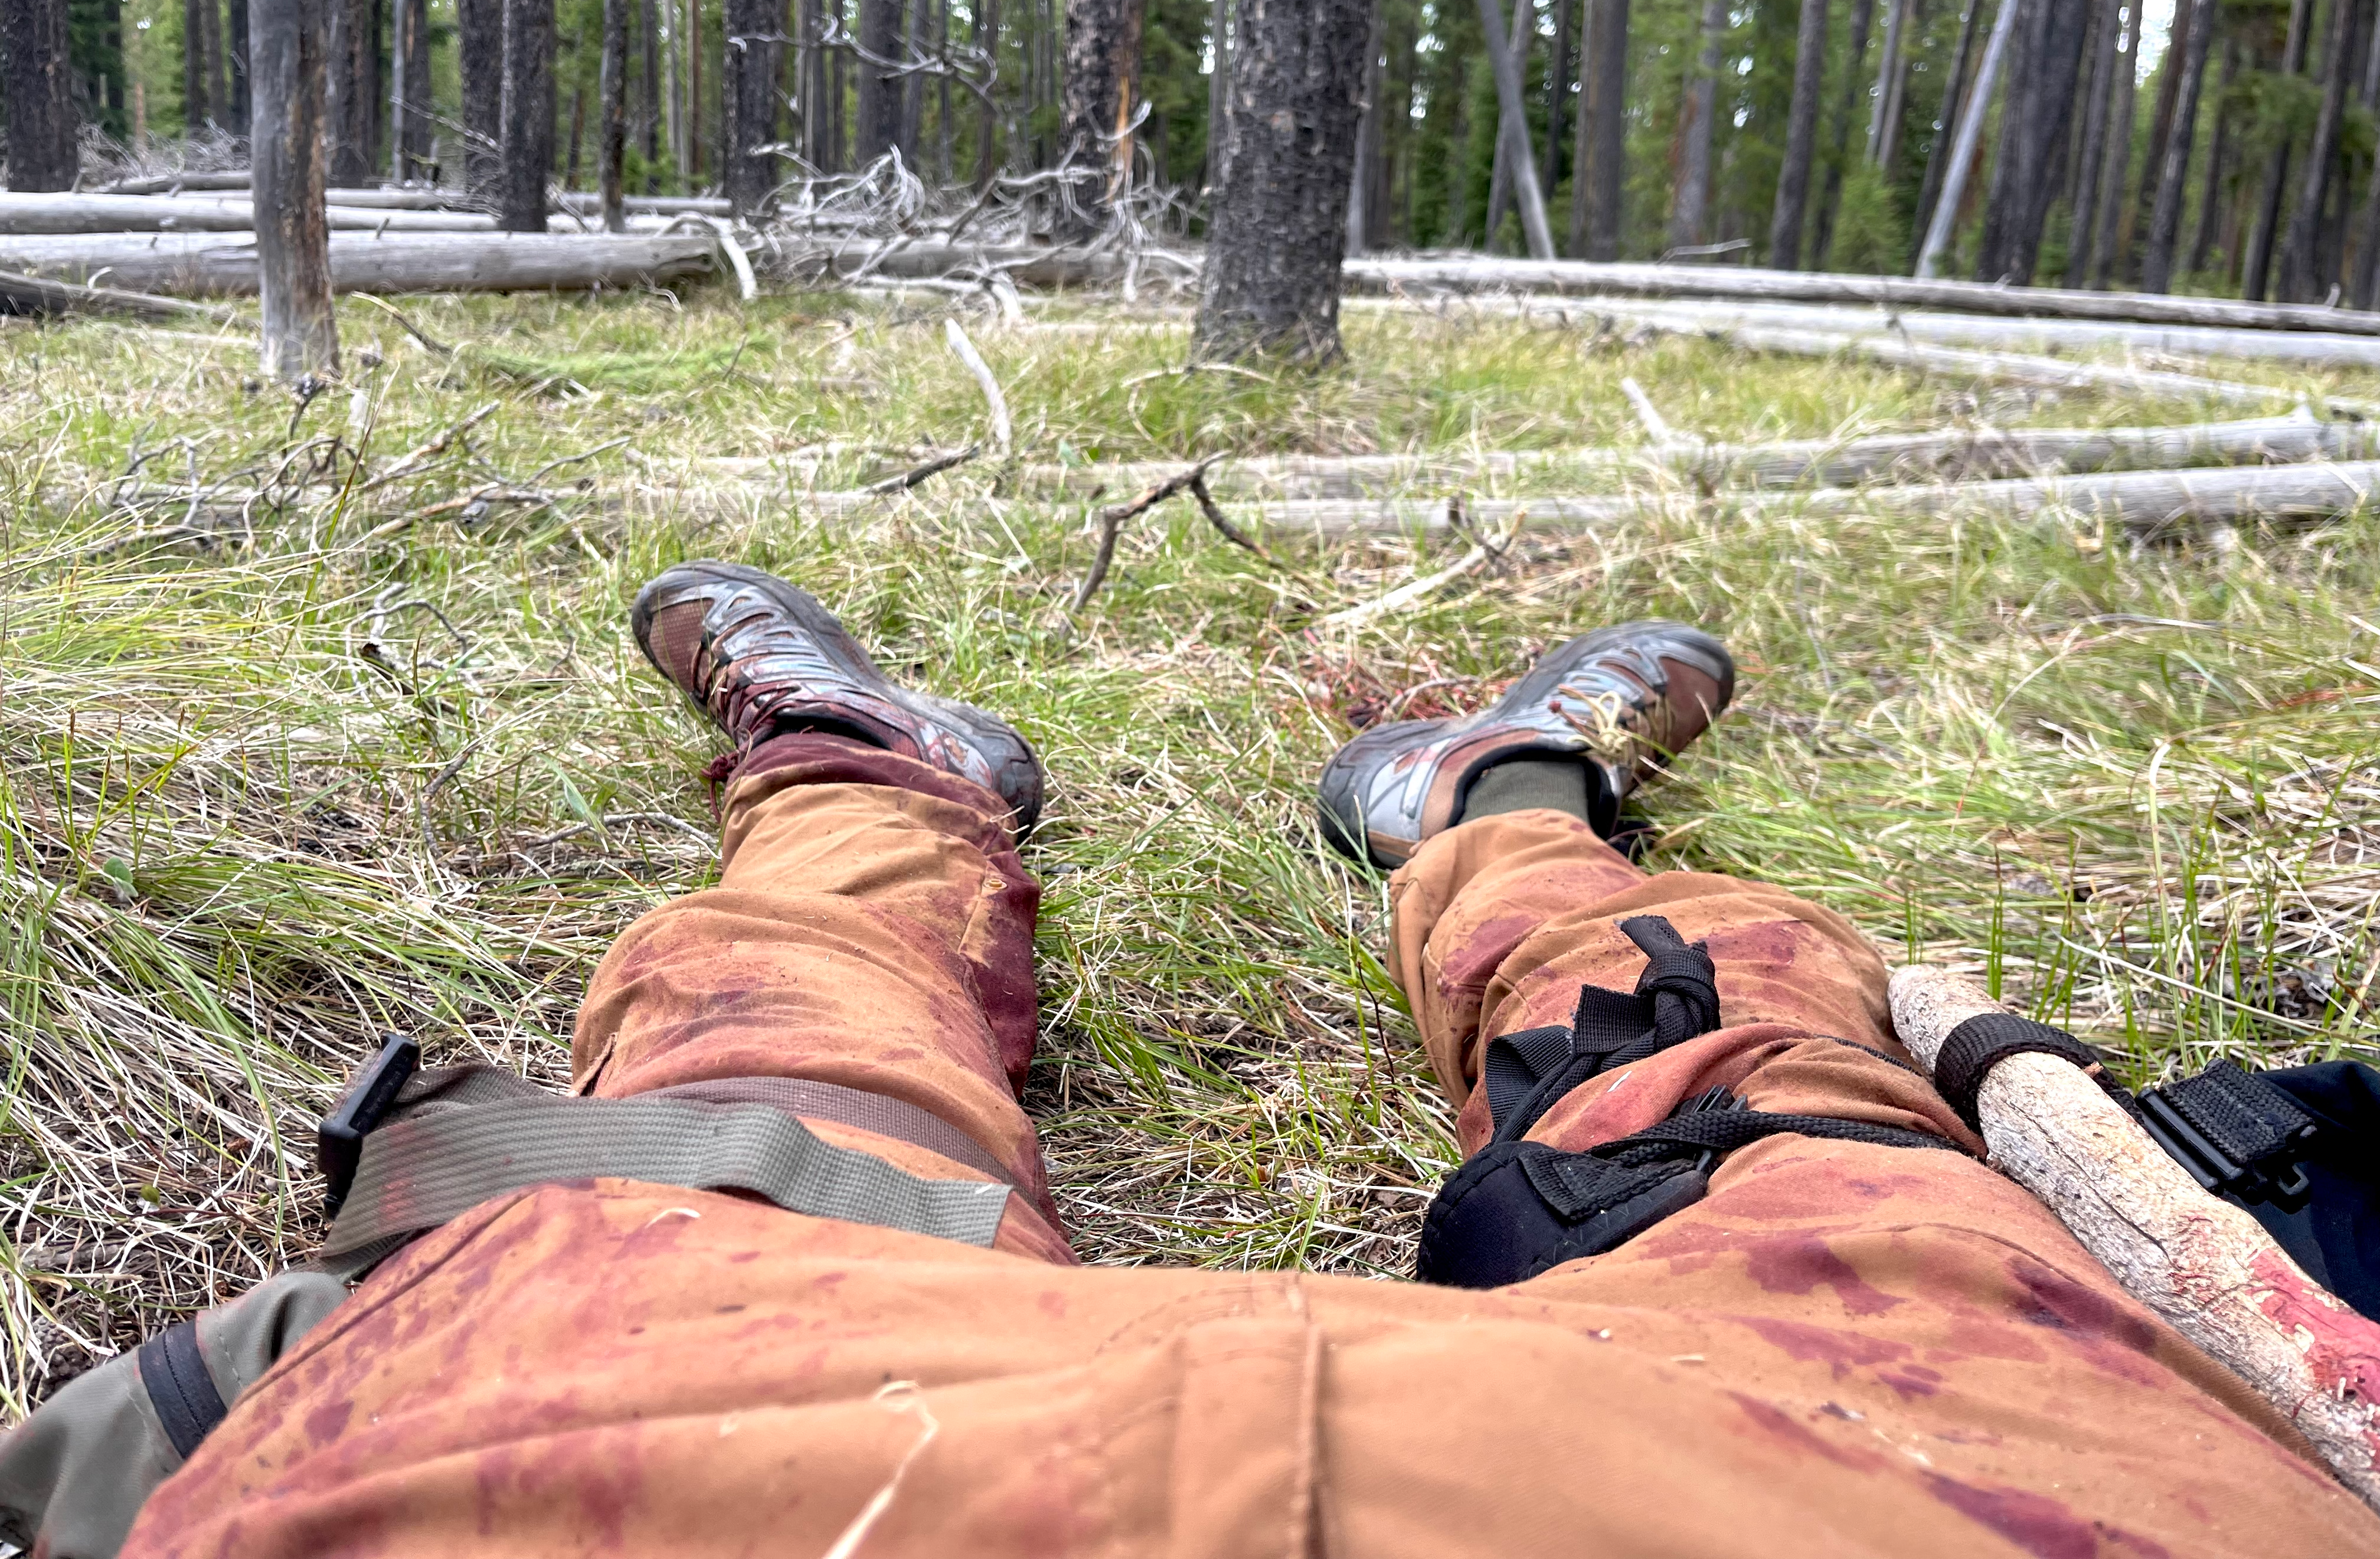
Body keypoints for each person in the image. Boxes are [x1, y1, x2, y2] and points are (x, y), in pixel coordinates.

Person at [10, 560, 2379, 1557]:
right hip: (1920, 1490)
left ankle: (865, 773)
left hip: (629, 1476)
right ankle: (1510, 804)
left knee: (758, 1097)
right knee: (1745, 1076)